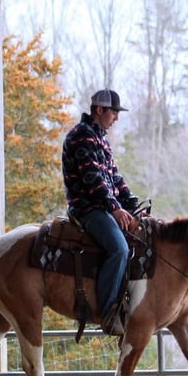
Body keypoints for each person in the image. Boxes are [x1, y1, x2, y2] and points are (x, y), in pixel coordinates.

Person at [62, 89, 137, 336]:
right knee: (119, 249)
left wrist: (133, 205)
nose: (116, 118)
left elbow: (114, 177)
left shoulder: (99, 138)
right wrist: (115, 208)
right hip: (88, 208)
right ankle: (108, 312)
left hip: (102, 205)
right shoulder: (82, 137)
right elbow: (93, 179)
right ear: (99, 110)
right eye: (114, 112)